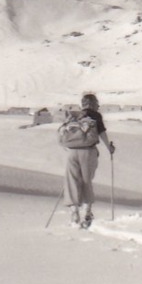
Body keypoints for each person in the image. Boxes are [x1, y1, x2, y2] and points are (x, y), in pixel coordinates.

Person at [63, 92, 115, 228]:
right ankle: (87, 212)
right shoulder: (95, 116)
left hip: (72, 152)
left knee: (72, 180)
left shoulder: (75, 116)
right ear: (93, 104)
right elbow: (102, 133)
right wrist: (109, 148)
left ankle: (74, 212)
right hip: (88, 152)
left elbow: (63, 134)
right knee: (87, 181)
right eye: (96, 102)